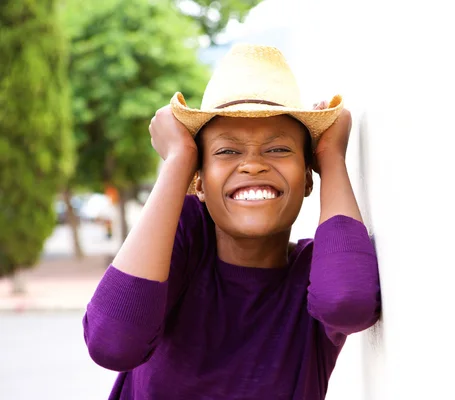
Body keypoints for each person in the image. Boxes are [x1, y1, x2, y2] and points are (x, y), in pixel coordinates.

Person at [83, 43, 381, 400]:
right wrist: (179, 159)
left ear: (306, 177)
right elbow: (112, 344)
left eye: (278, 149)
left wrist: (331, 157)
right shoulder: (186, 244)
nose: (252, 164)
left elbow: (348, 303)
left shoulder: (312, 274)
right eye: (227, 151)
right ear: (199, 181)